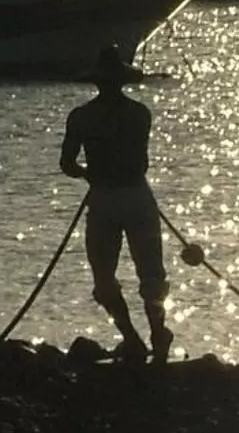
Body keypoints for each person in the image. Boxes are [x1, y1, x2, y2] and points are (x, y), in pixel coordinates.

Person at [60, 46, 171, 364]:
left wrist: (88, 173)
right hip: (137, 195)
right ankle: (158, 335)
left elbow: (67, 164)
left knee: (104, 276)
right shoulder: (139, 114)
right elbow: (142, 162)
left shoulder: (81, 117)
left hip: (104, 198)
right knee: (151, 273)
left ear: (97, 82)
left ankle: (133, 339)